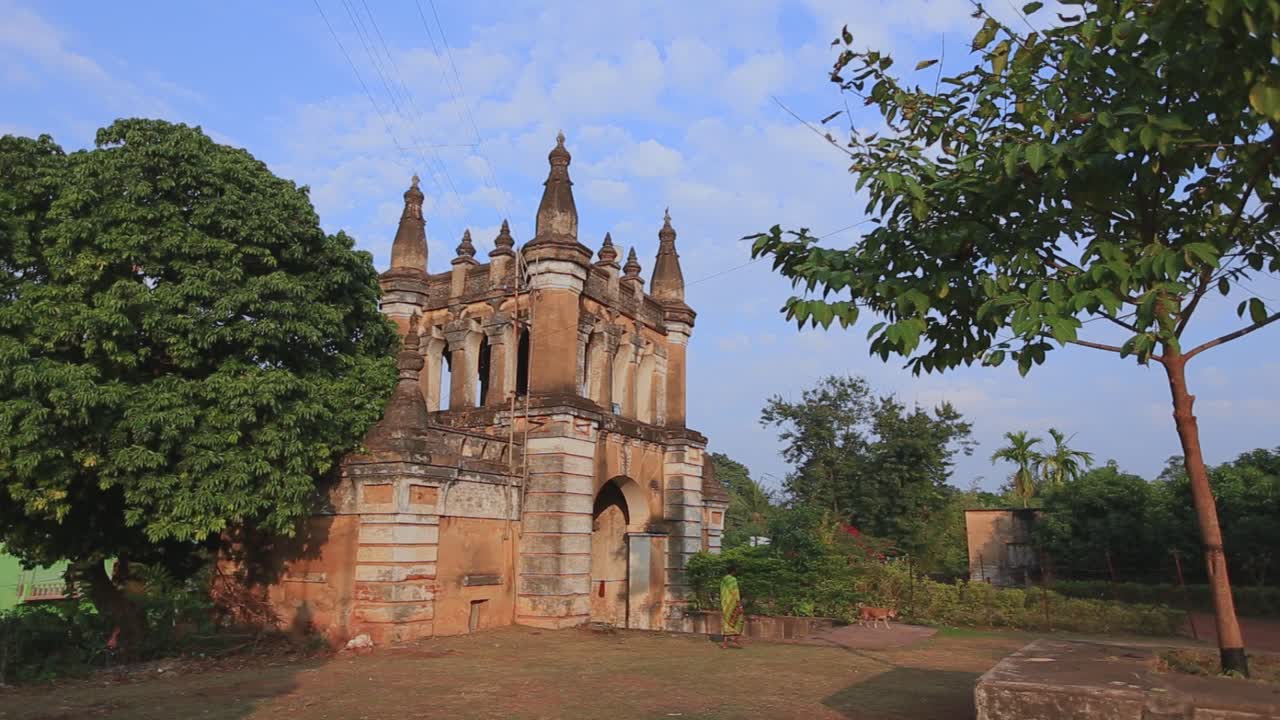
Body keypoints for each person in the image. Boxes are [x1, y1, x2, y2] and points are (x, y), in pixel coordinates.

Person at [720, 564, 746, 649]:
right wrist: (739, 603)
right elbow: (735, 592)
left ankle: (725, 644)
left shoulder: (723, 579)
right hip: (733, 603)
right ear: (733, 571)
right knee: (740, 620)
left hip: (725, 604)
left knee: (727, 622)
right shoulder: (733, 580)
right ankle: (735, 638)